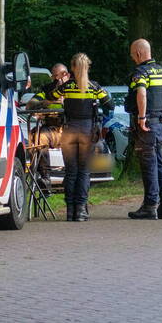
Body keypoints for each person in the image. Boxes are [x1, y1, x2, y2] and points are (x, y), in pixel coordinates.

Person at [126, 39, 162, 220]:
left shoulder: (141, 72)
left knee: (149, 165)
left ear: (138, 53)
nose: (132, 57)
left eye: (132, 54)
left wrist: (142, 117)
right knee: (159, 163)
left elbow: (141, 92)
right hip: (160, 124)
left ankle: (150, 206)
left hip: (148, 125)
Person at [51, 53, 113, 221]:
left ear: (72, 68)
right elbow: (110, 104)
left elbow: (52, 96)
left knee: (71, 172)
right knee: (84, 171)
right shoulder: (94, 87)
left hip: (69, 130)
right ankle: (81, 210)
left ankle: (70, 211)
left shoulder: (67, 87)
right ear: (88, 68)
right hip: (87, 131)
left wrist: (61, 84)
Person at [27, 63, 69, 190]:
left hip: (70, 128)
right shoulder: (47, 89)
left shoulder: (74, 87)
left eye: (62, 75)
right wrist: (44, 102)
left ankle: (71, 178)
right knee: (37, 137)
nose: (59, 79)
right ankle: (45, 178)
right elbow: (30, 105)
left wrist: (66, 102)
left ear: (68, 75)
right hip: (52, 129)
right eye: (55, 76)